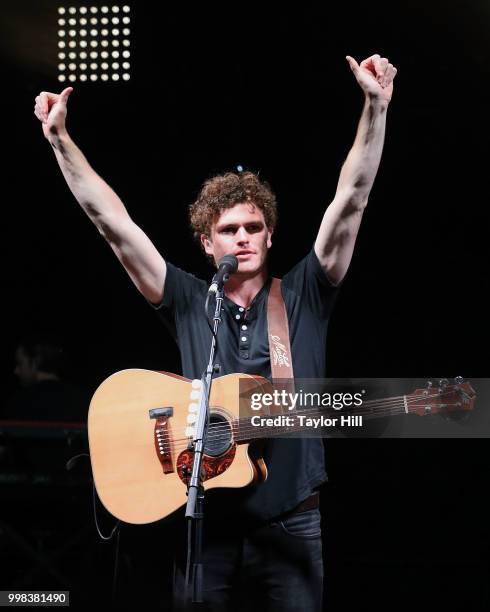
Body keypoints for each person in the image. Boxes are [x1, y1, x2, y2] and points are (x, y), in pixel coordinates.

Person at [34, 53, 397, 610]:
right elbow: (112, 224)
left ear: (270, 236)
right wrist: (60, 140)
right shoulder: (185, 299)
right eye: (229, 230)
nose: (243, 238)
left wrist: (375, 107)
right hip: (205, 524)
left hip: (292, 523)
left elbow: (351, 200)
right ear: (208, 244)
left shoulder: (303, 293)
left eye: (255, 227)